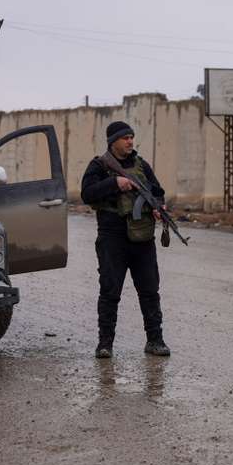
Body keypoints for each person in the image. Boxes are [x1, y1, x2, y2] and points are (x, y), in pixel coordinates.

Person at [79, 120, 171, 359]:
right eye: (125, 137)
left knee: (150, 290)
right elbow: (87, 194)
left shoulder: (142, 165)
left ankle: (155, 340)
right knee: (110, 291)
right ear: (113, 142)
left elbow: (157, 191)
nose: (130, 141)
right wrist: (114, 183)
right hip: (113, 236)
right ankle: (105, 344)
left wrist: (158, 207)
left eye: (132, 137)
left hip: (142, 236)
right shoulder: (99, 166)